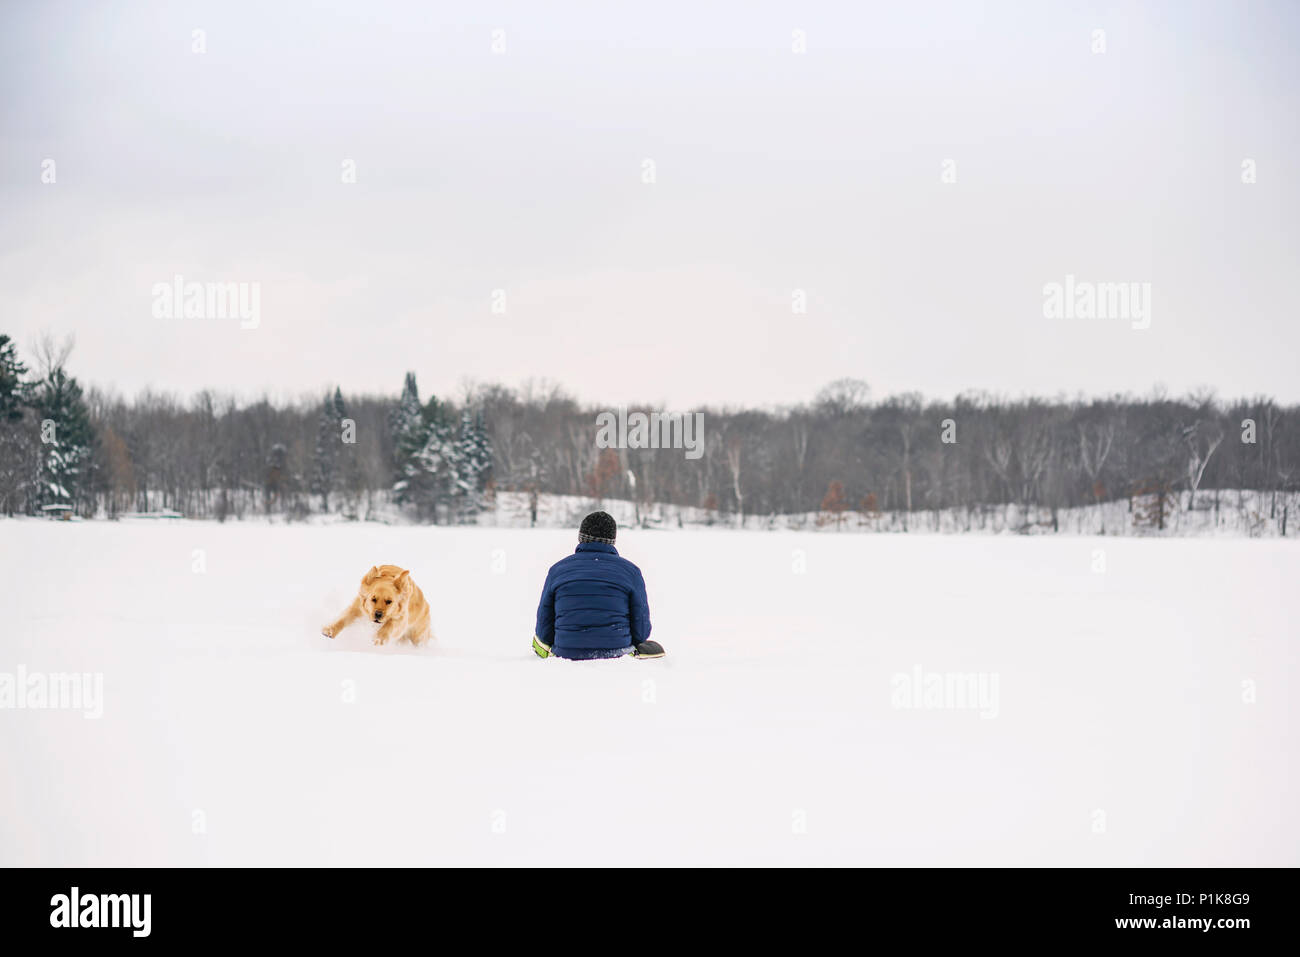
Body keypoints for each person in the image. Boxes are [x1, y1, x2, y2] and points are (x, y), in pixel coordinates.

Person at [532, 511, 664, 660]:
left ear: (580, 537)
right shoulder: (631, 572)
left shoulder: (557, 570)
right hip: (617, 653)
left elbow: (543, 631)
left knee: (537, 643)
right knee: (655, 648)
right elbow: (641, 631)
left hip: (566, 653)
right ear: (613, 540)